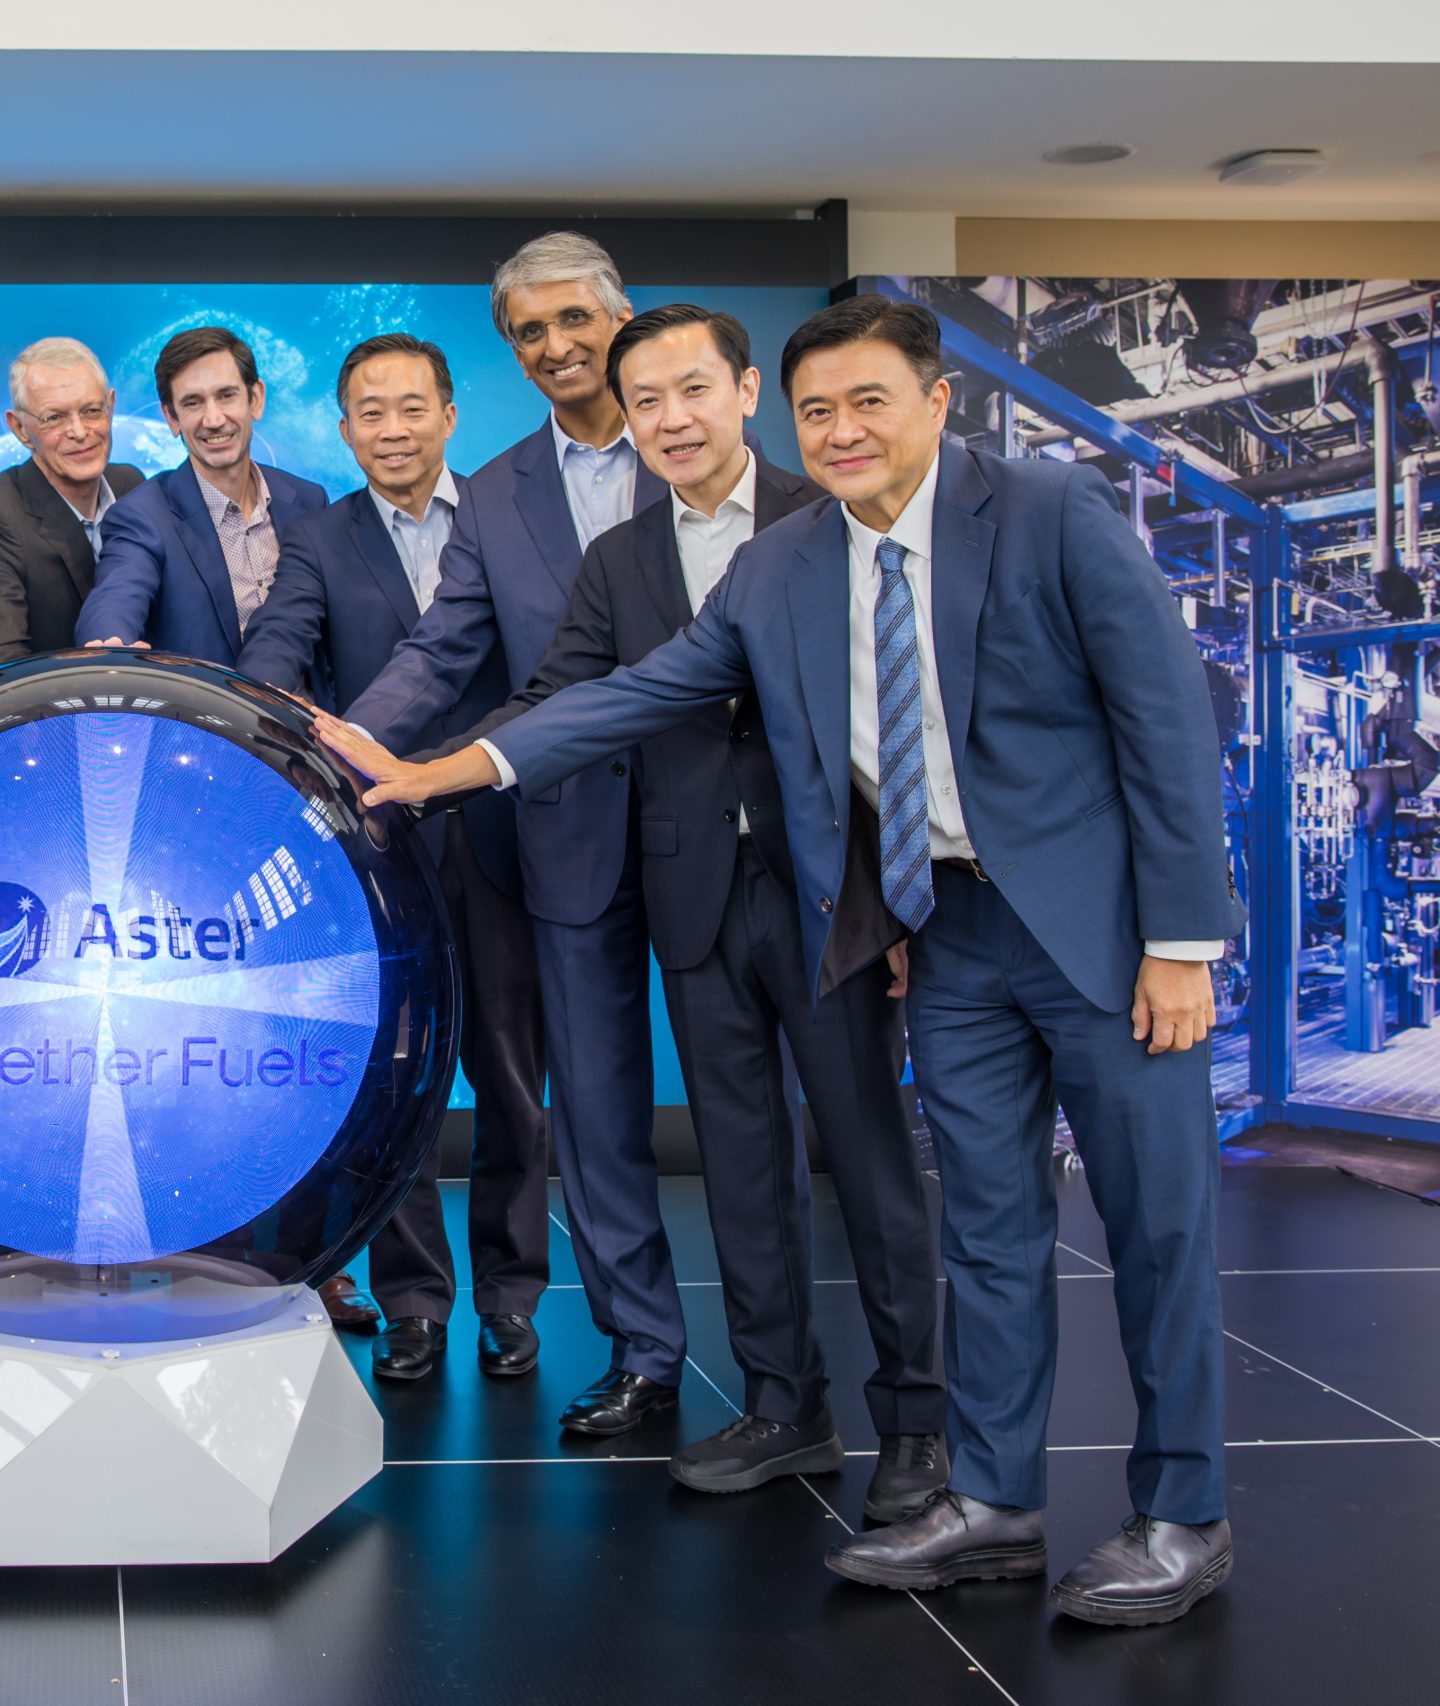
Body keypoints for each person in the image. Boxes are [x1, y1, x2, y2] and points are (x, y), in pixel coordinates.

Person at [318, 295, 1239, 1628]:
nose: (844, 429)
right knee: (987, 1230)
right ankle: (991, 1499)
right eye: (824, 410)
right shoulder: (784, 564)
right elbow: (628, 694)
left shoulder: (1048, 512)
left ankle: (1182, 1510)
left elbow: (1166, 727)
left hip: (1105, 939)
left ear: (935, 400)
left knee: (1157, 1233)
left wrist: (1181, 944)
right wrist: (433, 770)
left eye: (869, 400)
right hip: (950, 937)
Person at [446, 304, 947, 1519]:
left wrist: (907, 900)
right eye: (647, 400)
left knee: (871, 1162)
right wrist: (429, 768)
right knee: (739, 1165)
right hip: (694, 893)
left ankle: (922, 1422)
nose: (670, 419)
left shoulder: (827, 515)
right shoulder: (620, 559)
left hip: (836, 892)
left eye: (691, 391)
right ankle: (784, 1403)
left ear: (742, 396)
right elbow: (560, 694)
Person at [341, 232, 679, 1440]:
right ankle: (645, 1350)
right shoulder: (493, 491)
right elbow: (443, 648)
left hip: (714, 835)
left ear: (618, 313)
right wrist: (344, 743)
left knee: (747, 1120)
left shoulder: (697, 453)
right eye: (528, 332)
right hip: (562, 834)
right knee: (583, 1107)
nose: (554, 347)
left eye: (572, 321)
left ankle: (786, 1378)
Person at [236, 334, 549, 1378]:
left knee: (509, 1076)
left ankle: (512, 1297)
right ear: (343, 428)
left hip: (504, 829)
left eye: (411, 406)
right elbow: (280, 643)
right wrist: (269, 720)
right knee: (396, 1074)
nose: (392, 428)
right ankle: (414, 1300)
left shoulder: (511, 517)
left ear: (450, 414)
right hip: (379, 842)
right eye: (369, 411)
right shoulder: (320, 537)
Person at [73, 327, 328, 661]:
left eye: (226, 396)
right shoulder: (143, 516)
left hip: (312, 712)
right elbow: (117, 593)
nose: (213, 419)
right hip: (209, 712)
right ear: (171, 417)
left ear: (256, 398)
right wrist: (108, 644)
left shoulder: (309, 501)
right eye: (193, 403)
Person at [0, 337, 144, 669]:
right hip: (53, 717)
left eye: (91, 411)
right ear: (20, 429)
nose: (79, 431)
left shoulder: (133, 486)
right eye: (55, 418)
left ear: (111, 406)